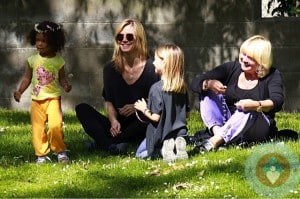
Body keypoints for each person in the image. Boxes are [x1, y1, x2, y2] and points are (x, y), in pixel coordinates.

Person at [75, 19, 159, 154]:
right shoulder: (110, 69)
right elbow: (109, 101)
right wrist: (113, 121)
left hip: (141, 122)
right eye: (120, 36)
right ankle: (112, 145)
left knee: (147, 119)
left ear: (139, 39)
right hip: (119, 124)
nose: (124, 40)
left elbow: (160, 103)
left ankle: (105, 143)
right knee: (82, 109)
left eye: (129, 36)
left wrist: (136, 107)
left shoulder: (153, 68)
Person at [190, 35, 284, 153]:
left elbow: (277, 101)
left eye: (250, 57)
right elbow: (195, 82)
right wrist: (208, 83)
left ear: (261, 61)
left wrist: (256, 104)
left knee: (250, 108)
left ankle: (213, 142)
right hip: (227, 122)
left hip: (255, 127)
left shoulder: (273, 75)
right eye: (243, 54)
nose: (244, 59)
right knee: (206, 90)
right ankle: (219, 135)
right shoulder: (232, 68)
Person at [13, 21, 72, 163]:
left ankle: (60, 151)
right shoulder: (32, 60)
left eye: (44, 41)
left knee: (55, 125)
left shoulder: (59, 61)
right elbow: (27, 78)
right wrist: (20, 91)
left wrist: (66, 86)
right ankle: (41, 154)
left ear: (54, 42)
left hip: (53, 99)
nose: (39, 44)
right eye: (37, 40)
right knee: (37, 128)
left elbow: (62, 78)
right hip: (36, 101)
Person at [134, 44, 190, 162]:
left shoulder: (156, 88)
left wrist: (143, 108)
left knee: (139, 153)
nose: (153, 63)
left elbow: (155, 117)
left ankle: (161, 150)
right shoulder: (182, 88)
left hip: (160, 135)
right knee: (172, 143)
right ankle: (176, 147)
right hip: (180, 132)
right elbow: (187, 114)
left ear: (164, 62)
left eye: (155, 59)